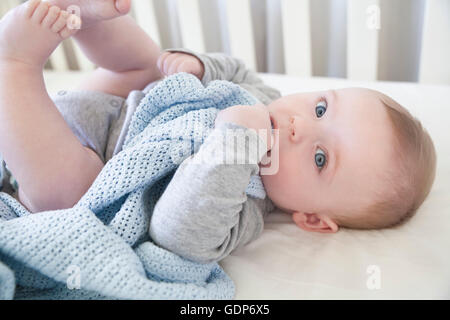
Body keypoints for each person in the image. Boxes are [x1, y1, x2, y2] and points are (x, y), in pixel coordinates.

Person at [0, 0, 436, 263]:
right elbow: (237, 69)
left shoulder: (247, 208)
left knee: (72, 197)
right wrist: (198, 66)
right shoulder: (263, 95)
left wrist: (234, 146)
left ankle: (15, 66)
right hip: (115, 108)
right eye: (321, 107)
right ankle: (87, 17)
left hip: (64, 160)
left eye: (320, 158)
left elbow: (179, 235)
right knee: (148, 62)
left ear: (312, 219)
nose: (300, 125)